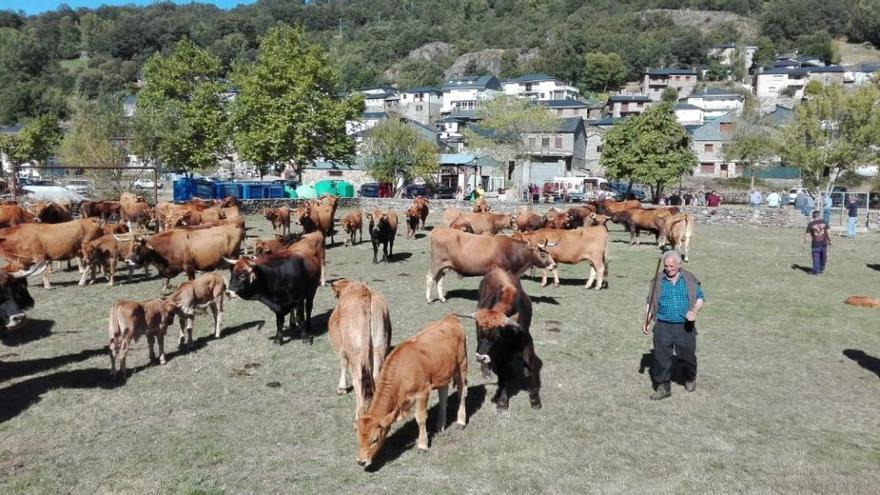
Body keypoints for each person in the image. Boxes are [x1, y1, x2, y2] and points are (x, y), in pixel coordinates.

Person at [643, 250, 705, 400]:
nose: (668, 269)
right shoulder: (657, 281)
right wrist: (646, 320)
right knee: (661, 358)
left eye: (672, 266)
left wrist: (694, 312)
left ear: (679, 265)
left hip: (685, 326)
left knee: (688, 357)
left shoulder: (689, 280)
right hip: (663, 325)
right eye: (666, 266)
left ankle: (690, 377)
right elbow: (650, 303)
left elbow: (700, 298)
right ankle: (663, 386)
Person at [804, 210, 831, 275]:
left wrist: (804, 243)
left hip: (815, 244)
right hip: (824, 243)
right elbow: (829, 232)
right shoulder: (824, 222)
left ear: (813, 216)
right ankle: (821, 269)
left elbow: (807, 234)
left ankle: (815, 271)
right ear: (819, 215)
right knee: (823, 257)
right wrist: (830, 240)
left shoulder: (811, 224)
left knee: (816, 257)